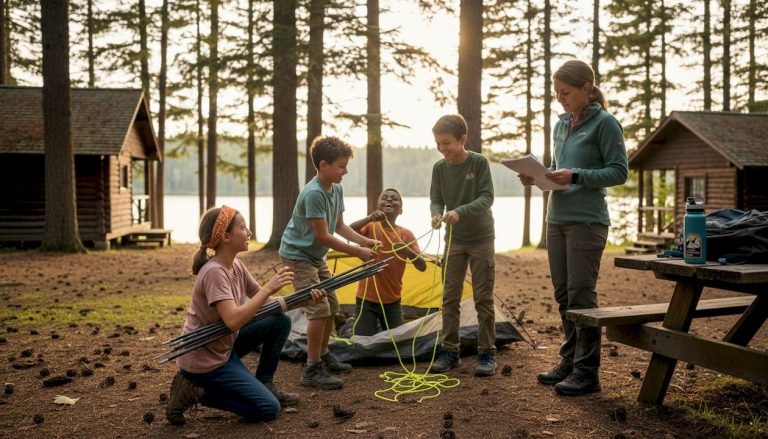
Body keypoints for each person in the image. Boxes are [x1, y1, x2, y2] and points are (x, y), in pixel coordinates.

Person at [518, 60, 628, 396]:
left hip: (587, 221)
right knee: (564, 295)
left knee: (582, 295)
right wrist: (538, 176)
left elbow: (619, 172)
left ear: (586, 89)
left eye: (565, 93)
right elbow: (557, 169)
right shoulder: (561, 123)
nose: (561, 99)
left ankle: (587, 372)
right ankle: (569, 360)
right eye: (557, 94)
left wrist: (577, 175)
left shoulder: (606, 124)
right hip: (557, 219)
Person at [166, 206, 325, 425]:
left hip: (223, 347)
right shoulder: (214, 272)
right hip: (204, 359)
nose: (249, 232)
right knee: (268, 409)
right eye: (243, 227)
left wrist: (304, 300)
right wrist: (268, 289)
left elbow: (267, 305)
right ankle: (199, 392)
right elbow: (233, 321)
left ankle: (265, 382)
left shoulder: (236, 266)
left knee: (279, 322)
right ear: (226, 236)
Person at [279, 135, 380, 390]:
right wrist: (357, 253)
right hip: (297, 256)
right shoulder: (313, 193)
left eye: (346, 166)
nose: (345, 171)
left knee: (332, 304)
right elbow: (323, 236)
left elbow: (340, 226)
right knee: (318, 308)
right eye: (341, 166)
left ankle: (323, 356)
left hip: (315, 256)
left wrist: (364, 242)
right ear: (323, 165)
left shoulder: (336, 188)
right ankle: (311, 368)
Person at [429, 114, 497, 377]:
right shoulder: (439, 168)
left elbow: (487, 197)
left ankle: (487, 353)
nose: (442, 149)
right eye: (438, 143)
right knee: (449, 298)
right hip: (453, 241)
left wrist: (461, 211)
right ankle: (450, 351)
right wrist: (437, 214)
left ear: (462, 139)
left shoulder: (478, 163)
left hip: (481, 239)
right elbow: (436, 198)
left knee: (483, 298)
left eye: (446, 143)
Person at [349, 188, 428, 336]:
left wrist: (408, 252)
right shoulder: (370, 227)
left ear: (401, 211)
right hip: (366, 299)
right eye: (384, 198)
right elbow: (348, 231)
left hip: (393, 301)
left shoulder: (406, 234)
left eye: (394, 199)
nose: (389, 200)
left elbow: (422, 266)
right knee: (361, 342)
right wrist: (369, 218)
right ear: (379, 206)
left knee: (397, 344)